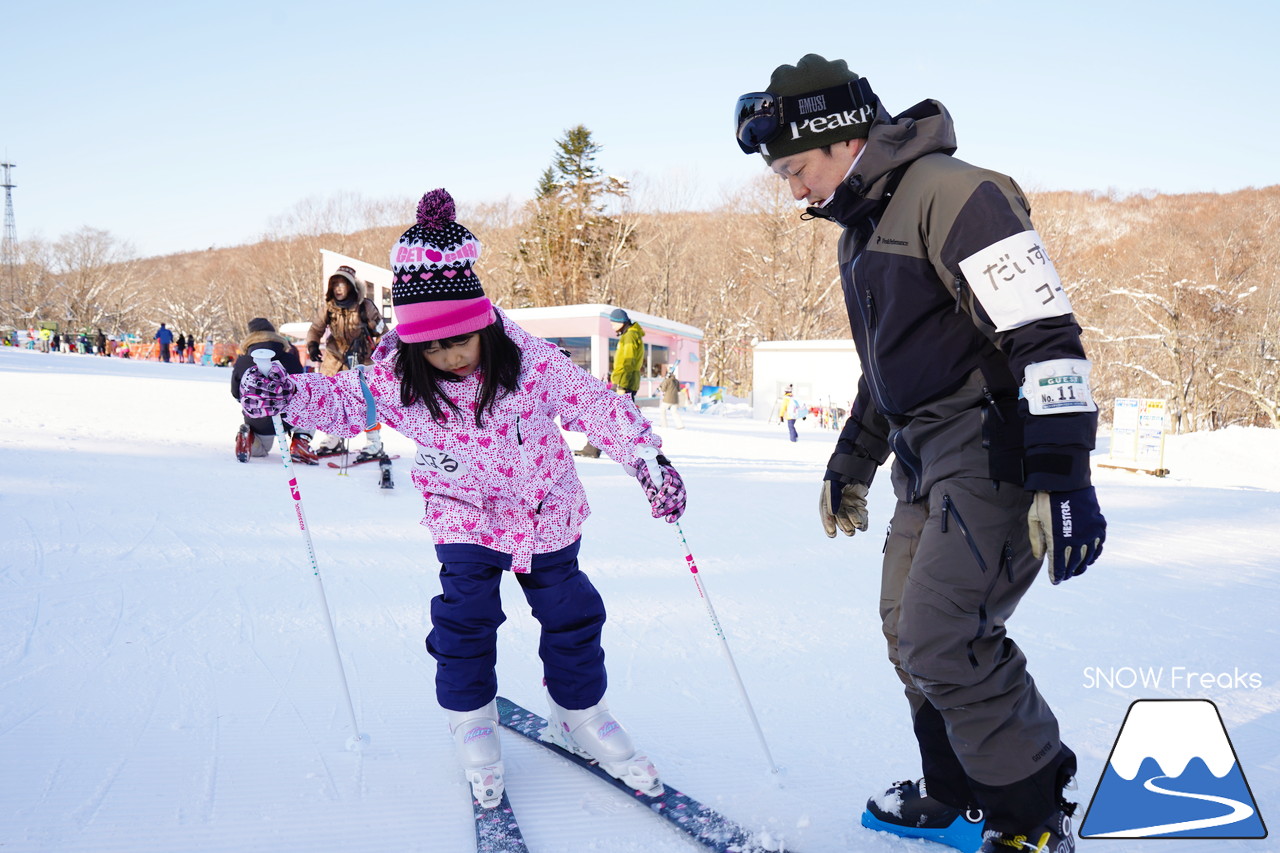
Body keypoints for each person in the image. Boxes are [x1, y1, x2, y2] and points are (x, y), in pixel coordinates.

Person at [734, 55, 1106, 852]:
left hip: (990, 448)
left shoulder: (955, 194)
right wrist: (850, 462)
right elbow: (886, 373)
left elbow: (1047, 336)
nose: (793, 189)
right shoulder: (861, 230)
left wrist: (1064, 473)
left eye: (795, 168)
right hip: (923, 459)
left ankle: (1032, 820)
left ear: (841, 140)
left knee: (946, 635)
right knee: (907, 630)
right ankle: (958, 793)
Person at [239, 189, 688, 810]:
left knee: (571, 613)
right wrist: (283, 394)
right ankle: (471, 718)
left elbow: (596, 403)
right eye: (432, 346)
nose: (448, 356)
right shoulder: (400, 373)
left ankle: (580, 712)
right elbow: (343, 401)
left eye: (460, 341)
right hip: (464, 513)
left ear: (483, 324)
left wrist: (645, 457)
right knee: (466, 618)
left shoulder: (530, 360)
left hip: (545, 509)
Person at [305, 264, 387, 460]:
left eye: (343, 284)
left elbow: (383, 332)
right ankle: (334, 439)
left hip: (362, 361)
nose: (338, 289)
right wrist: (313, 346)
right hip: (335, 361)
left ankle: (373, 442)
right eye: (335, 285)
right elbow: (315, 328)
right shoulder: (329, 308)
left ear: (352, 287)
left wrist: (381, 355)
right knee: (332, 400)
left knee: (367, 402)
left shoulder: (365, 306)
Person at [229, 318, 317, 464]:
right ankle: (300, 442)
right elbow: (302, 389)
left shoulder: (243, 360)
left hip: (257, 418)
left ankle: (251, 439)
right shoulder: (290, 358)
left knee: (262, 451)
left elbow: (235, 392)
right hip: (287, 417)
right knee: (313, 408)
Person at [576, 308, 645, 459]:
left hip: (623, 383)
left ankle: (593, 449)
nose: (612, 326)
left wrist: (621, 385)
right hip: (626, 382)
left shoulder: (629, 337)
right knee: (622, 418)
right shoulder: (632, 335)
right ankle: (641, 448)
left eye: (614, 323)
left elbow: (627, 362)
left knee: (604, 415)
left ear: (621, 322)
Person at [657, 365, 685, 430]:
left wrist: (660, 388)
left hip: (667, 399)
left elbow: (663, 389)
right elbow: (678, 389)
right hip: (675, 400)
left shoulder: (667, 381)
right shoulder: (676, 381)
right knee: (674, 412)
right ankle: (680, 425)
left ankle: (664, 425)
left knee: (662, 410)